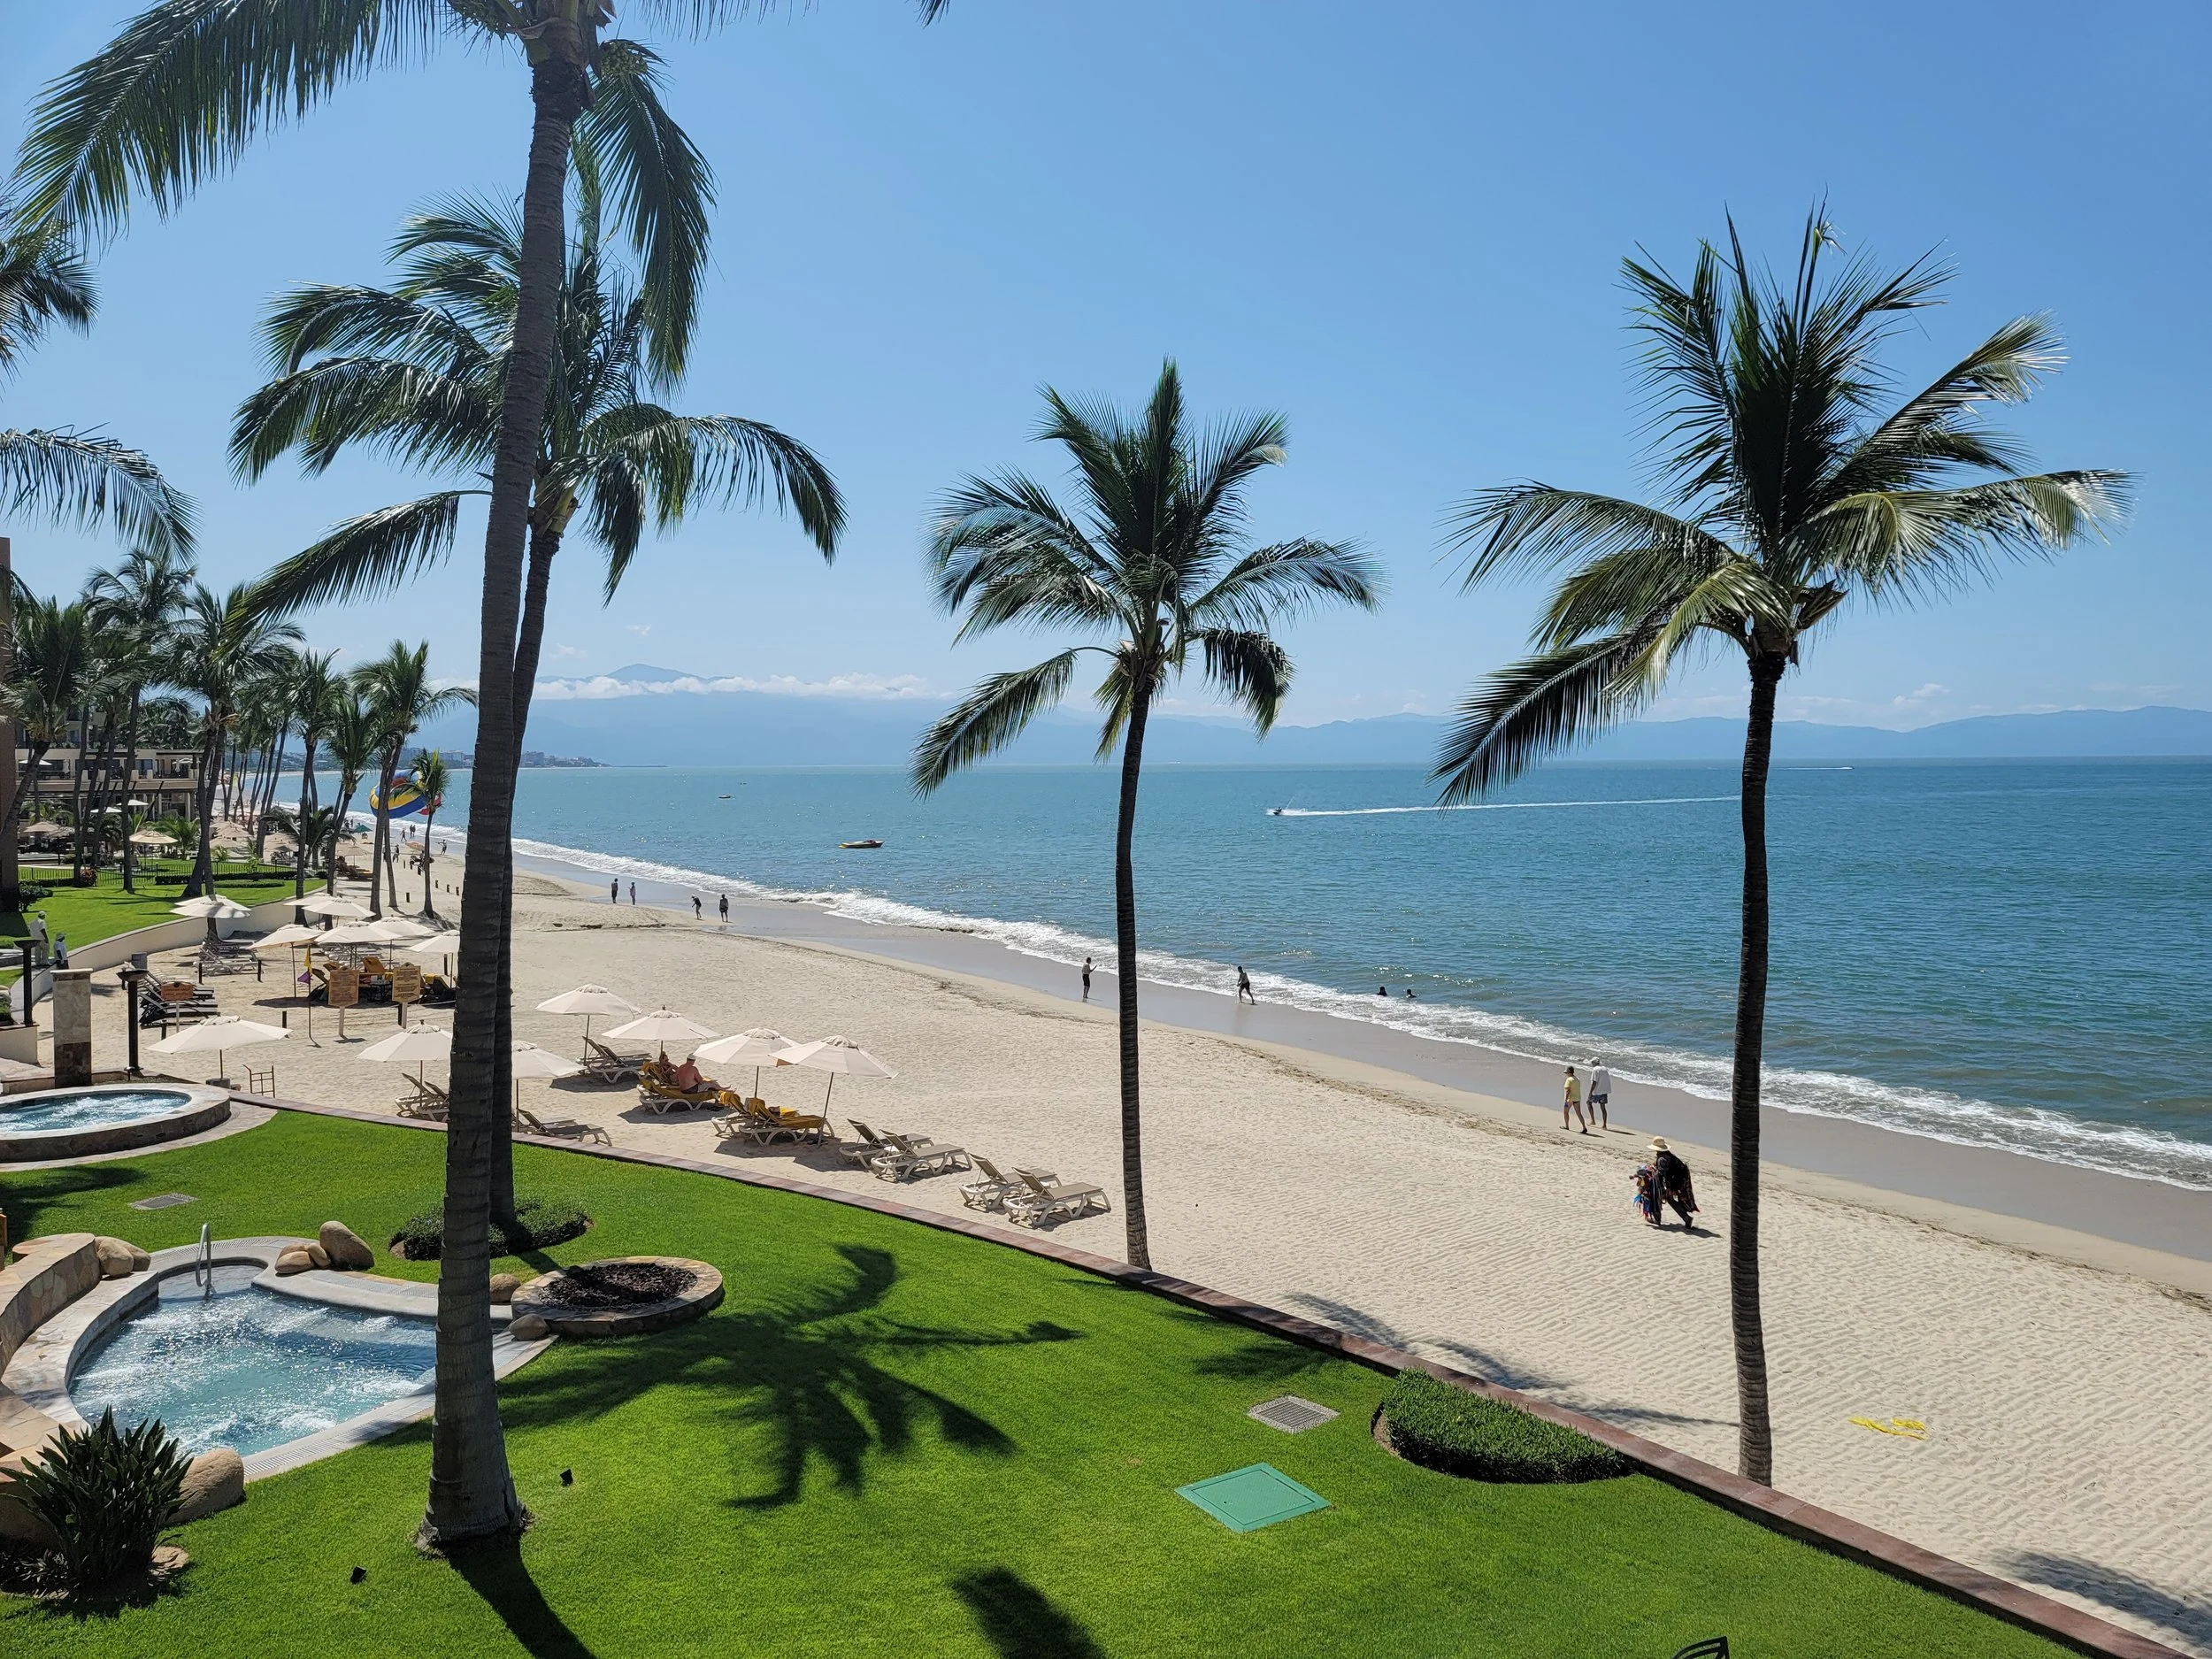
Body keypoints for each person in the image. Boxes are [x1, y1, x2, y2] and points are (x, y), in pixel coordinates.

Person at [1651, 1138, 1699, 1228]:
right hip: (1677, 1181)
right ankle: (1686, 1218)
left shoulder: (1662, 1159)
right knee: (1670, 1199)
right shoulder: (1668, 1155)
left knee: (1655, 1196)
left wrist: (1662, 1186)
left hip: (1672, 1182)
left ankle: (1657, 1219)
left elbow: (1661, 1174)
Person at [1587, 1057, 1611, 1130]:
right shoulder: (1604, 1068)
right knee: (1603, 1107)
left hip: (1597, 1091)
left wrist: (1590, 1092)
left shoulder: (1595, 1070)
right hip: (1604, 1091)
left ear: (1593, 1063)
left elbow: (1594, 1082)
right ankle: (1604, 1125)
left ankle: (1592, 1120)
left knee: (1588, 1102)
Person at [1563, 1064, 1586, 1133]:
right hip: (1577, 1098)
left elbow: (1568, 1090)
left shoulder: (1569, 1079)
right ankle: (1584, 1127)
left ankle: (1567, 1126)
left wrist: (1566, 1100)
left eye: (1566, 1072)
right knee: (1579, 1113)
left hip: (1570, 1099)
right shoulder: (1577, 1079)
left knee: (1565, 1111)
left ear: (1569, 1072)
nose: (1566, 1074)